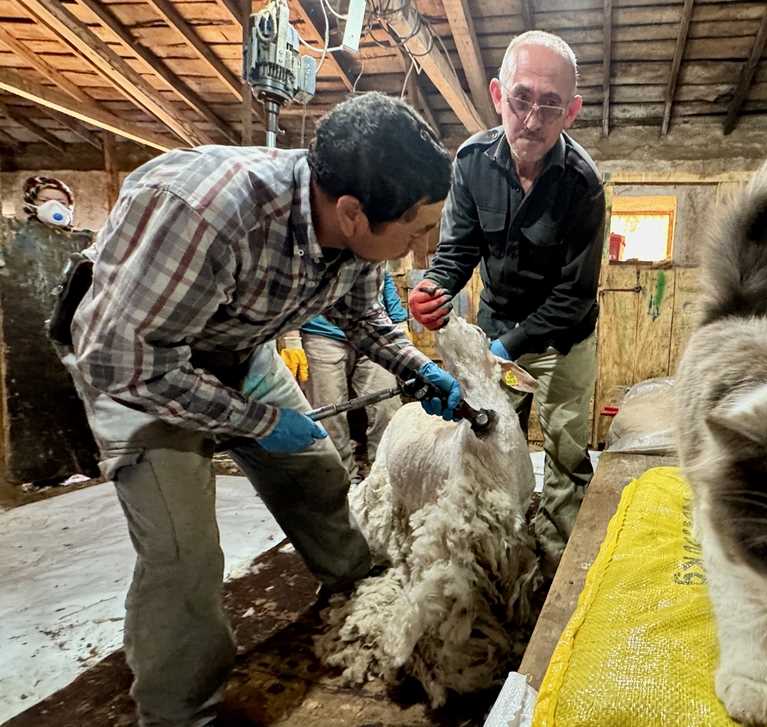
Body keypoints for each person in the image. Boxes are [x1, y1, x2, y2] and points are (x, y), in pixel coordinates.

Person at [57, 93, 461, 727]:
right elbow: (123, 360)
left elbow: (361, 315)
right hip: (135, 361)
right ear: (353, 213)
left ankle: (358, 588)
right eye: (416, 231)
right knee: (182, 551)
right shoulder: (208, 212)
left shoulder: (352, 228)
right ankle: (178, 709)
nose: (423, 247)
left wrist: (418, 367)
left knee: (316, 473)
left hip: (236, 345)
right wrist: (259, 422)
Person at [407, 31, 604, 573]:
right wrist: (435, 288)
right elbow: (458, 249)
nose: (532, 118)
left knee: (565, 445)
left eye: (550, 105)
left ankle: (556, 560)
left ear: (571, 112)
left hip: (563, 336)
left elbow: (574, 293)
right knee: (487, 437)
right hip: (499, 324)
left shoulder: (583, 183)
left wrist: (503, 346)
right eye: (521, 98)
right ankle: (497, 547)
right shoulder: (471, 162)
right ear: (498, 95)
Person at [279, 270, 410, 480]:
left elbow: (383, 276)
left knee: (387, 407)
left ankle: (384, 478)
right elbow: (295, 280)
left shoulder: (379, 243)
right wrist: (292, 337)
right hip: (322, 333)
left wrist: (399, 321)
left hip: (371, 330)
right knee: (329, 415)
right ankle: (341, 481)